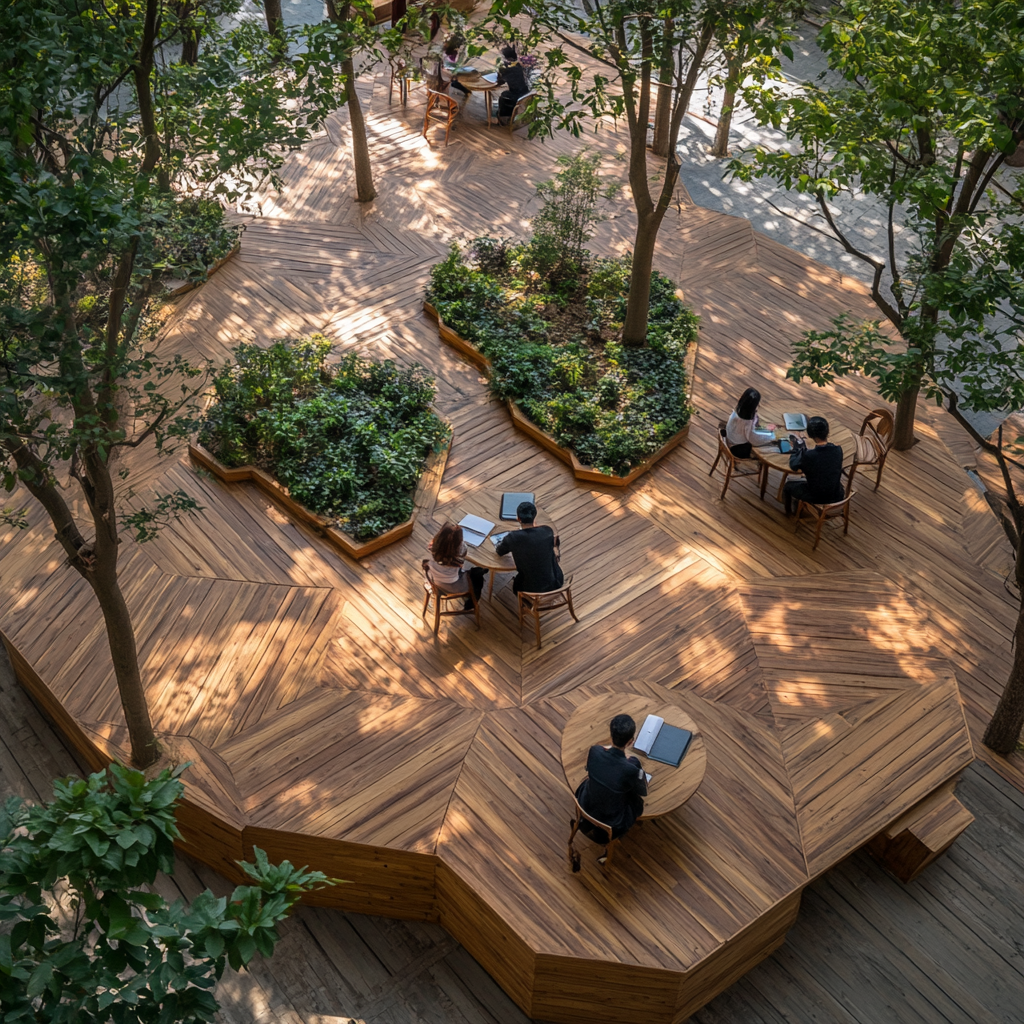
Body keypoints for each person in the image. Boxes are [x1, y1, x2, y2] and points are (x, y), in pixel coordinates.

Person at [574, 714, 648, 861]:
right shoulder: (631, 768)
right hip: (612, 821)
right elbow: (643, 791)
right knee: (636, 802)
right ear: (630, 742)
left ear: (611, 735)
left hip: (585, 804)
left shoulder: (594, 751)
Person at [494, 501, 562, 594]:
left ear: (518, 518)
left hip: (529, 589)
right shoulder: (547, 531)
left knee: (519, 582)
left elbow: (499, 551)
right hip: (555, 582)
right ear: (535, 516)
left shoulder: (513, 537)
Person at [783, 415, 845, 515]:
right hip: (837, 494)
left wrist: (797, 449)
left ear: (810, 434)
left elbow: (793, 465)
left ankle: (789, 514)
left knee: (788, 486)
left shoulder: (810, 455)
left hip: (817, 497)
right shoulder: (838, 450)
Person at [426, 522, 486, 610]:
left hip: (434, 582)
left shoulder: (431, 548)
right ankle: (471, 602)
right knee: (477, 575)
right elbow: (465, 560)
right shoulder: (461, 549)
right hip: (454, 586)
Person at [725, 387, 775, 459]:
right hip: (738, 448)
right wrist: (772, 436)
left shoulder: (737, 411)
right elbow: (754, 440)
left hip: (731, 438)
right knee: (769, 447)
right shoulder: (746, 422)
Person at [495, 46, 530, 124]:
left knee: (504, 96)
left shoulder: (507, 70)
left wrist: (500, 71)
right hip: (525, 92)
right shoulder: (519, 66)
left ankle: (503, 119)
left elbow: (500, 82)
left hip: (517, 96)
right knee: (507, 94)